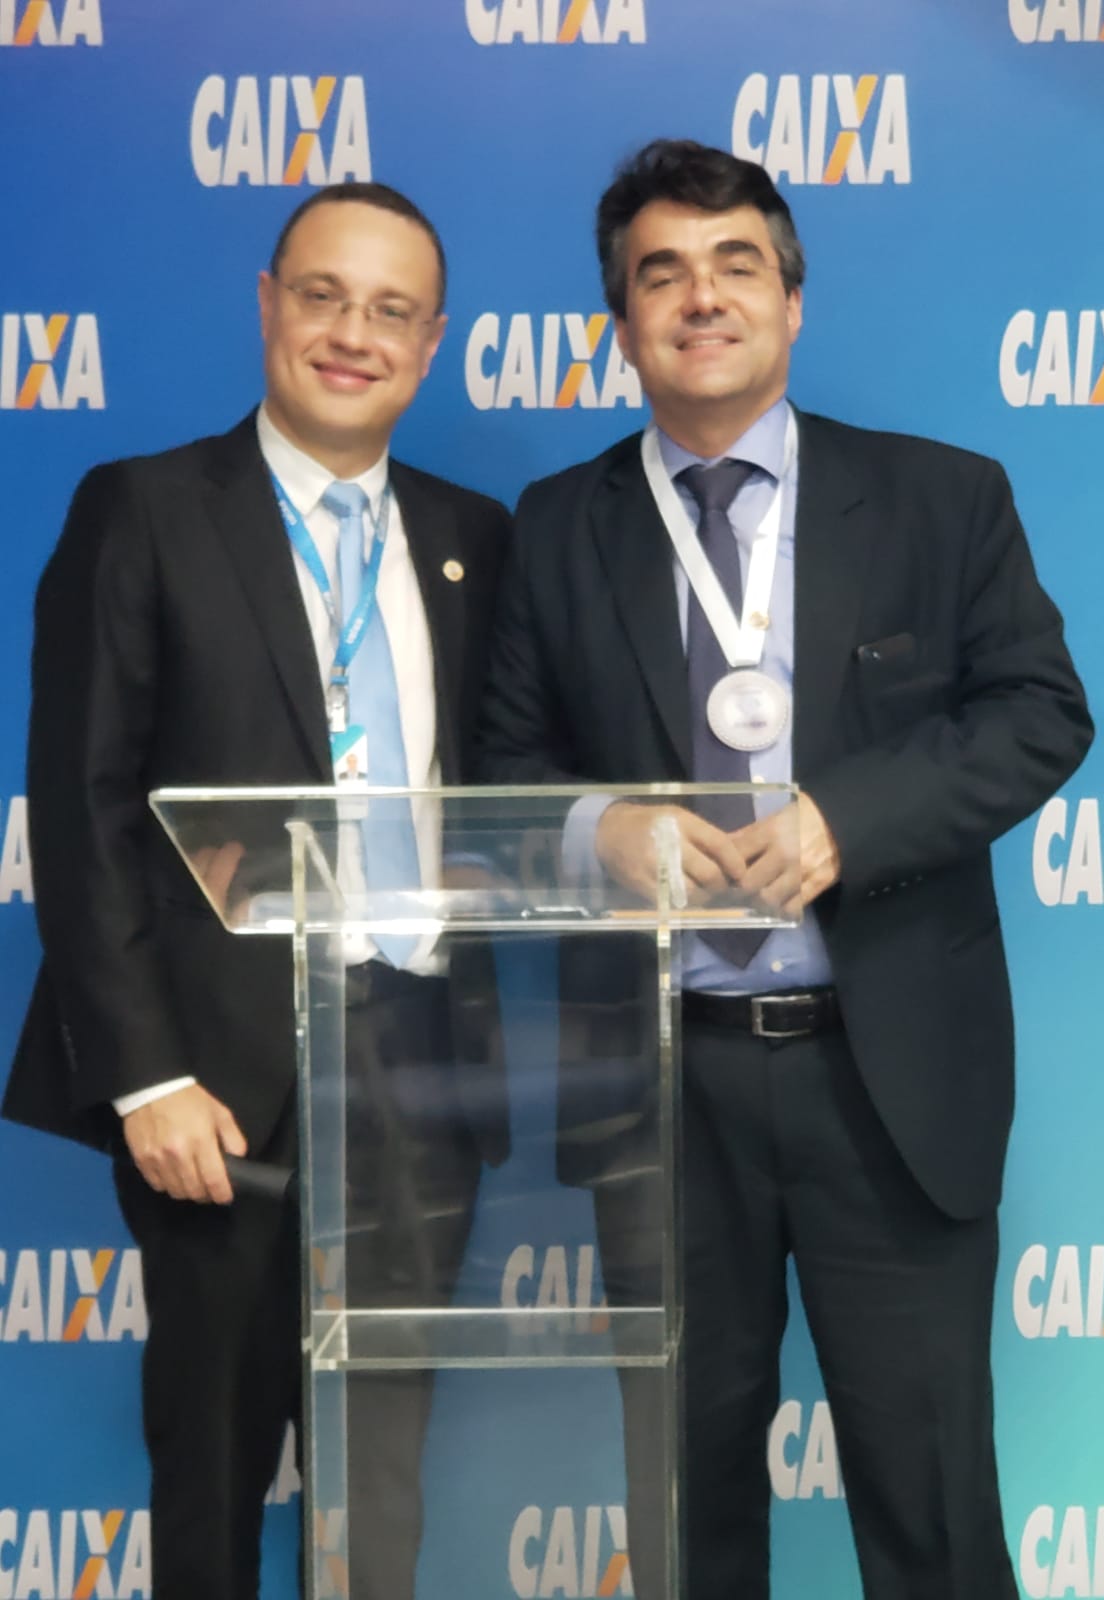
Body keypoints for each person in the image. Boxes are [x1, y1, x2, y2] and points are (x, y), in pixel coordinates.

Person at [476, 139, 1093, 1600]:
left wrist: (847, 823)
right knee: (685, 1510)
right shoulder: (556, 527)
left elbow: (1038, 713)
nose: (702, 298)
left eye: (736, 264)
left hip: (889, 1081)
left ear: (793, 300)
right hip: (662, 1085)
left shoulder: (942, 496)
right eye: (662, 274)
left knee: (934, 1511)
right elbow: (501, 771)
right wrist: (600, 828)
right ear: (623, 322)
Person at [3, 181, 510, 1600]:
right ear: (270, 304)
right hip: (219, 1080)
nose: (354, 333)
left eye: (392, 311)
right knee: (214, 1463)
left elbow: (505, 786)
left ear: (432, 345)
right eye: (324, 295)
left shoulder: (475, 534)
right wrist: (146, 1074)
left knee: (384, 1478)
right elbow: (84, 807)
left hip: (419, 1065)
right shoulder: (145, 508)